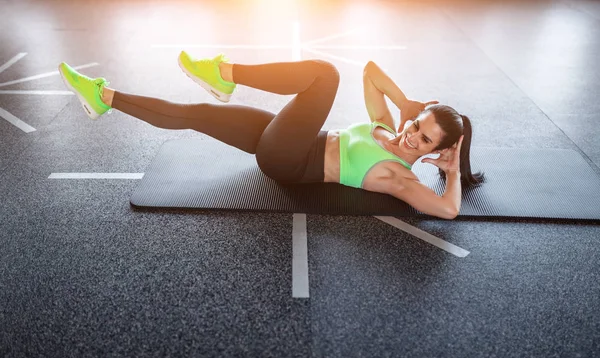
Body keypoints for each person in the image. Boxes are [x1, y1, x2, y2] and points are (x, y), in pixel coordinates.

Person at [58, 52, 484, 220]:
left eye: (424, 140)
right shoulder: (393, 127)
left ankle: (225, 74)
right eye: (416, 126)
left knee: (326, 75)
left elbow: (448, 211)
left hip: (290, 161)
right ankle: (104, 97)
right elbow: (371, 73)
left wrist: (451, 168)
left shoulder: (400, 176)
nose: (411, 137)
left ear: (437, 150)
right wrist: (408, 104)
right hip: (293, 140)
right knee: (198, 114)